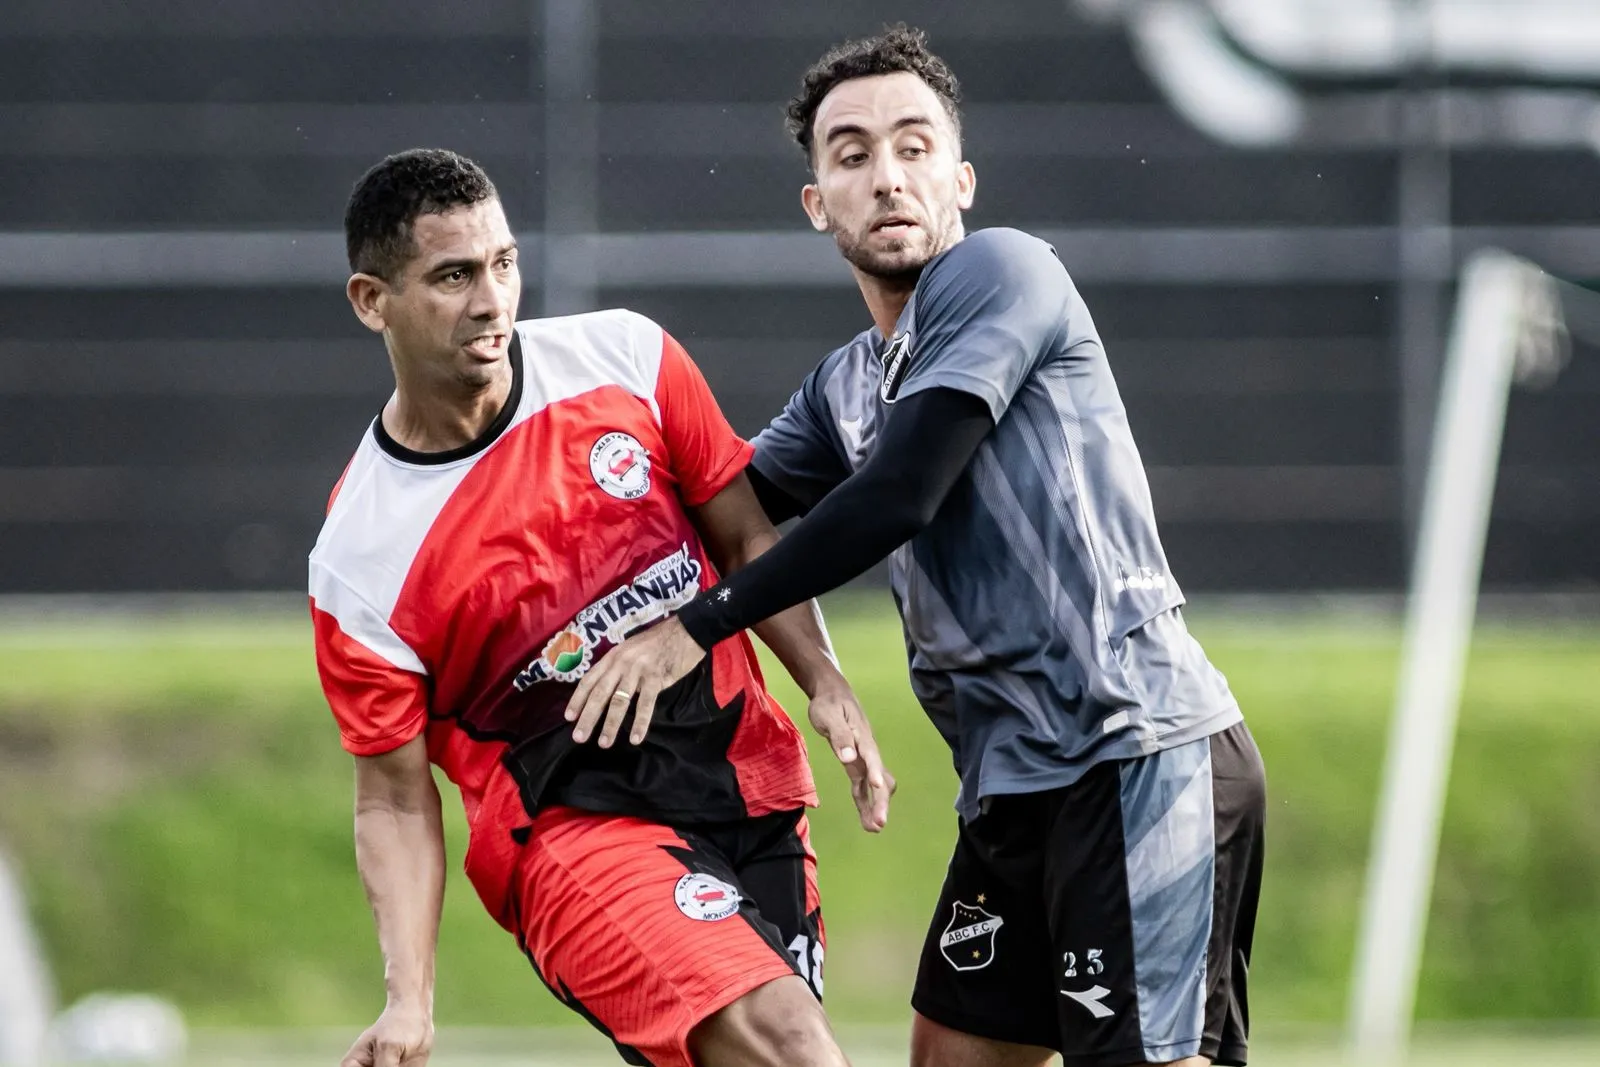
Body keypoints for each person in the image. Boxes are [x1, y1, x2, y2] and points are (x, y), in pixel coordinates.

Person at [572, 27, 1267, 1067]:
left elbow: (898, 493)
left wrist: (700, 627)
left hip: (1134, 750)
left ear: (961, 178)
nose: (886, 176)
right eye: (850, 155)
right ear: (818, 202)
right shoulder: (845, 383)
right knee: (950, 1054)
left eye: (913, 146)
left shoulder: (1002, 271)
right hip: (1013, 784)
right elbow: (710, 512)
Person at [309, 148, 892, 1067]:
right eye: (453, 276)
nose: (492, 299)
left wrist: (825, 681)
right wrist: (408, 1001)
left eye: (503, 263)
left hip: (747, 780)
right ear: (370, 300)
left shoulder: (625, 355)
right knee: (792, 1048)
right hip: (573, 832)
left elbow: (746, 541)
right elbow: (390, 795)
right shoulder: (360, 560)